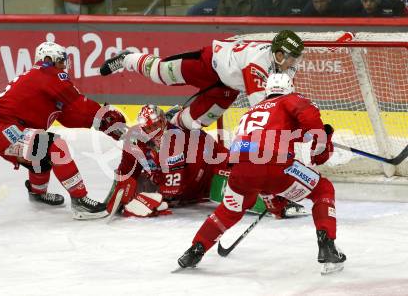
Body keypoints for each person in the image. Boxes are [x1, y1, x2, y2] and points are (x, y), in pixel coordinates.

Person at [177, 73, 347, 275]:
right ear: (289, 88)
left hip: (241, 170)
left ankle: (196, 249)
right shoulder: (290, 99)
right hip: (274, 165)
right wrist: (322, 138)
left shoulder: (251, 111)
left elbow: (292, 134)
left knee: (229, 210)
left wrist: (320, 135)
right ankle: (327, 246)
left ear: (267, 91)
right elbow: (308, 118)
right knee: (322, 189)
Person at [0, 41, 126, 220]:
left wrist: (100, 124)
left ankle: (37, 193)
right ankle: (80, 202)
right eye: (60, 61)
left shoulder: (40, 79)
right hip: (5, 130)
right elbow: (78, 104)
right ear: (48, 59)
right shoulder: (47, 73)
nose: (63, 66)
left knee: (40, 152)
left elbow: (69, 116)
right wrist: (103, 115)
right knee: (55, 146)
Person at [105, 104, 307, 218]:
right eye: (149, 128)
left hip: (208, 167)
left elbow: (175, 190)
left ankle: (280, 195)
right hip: (191, 185)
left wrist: (153, 197)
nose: (154, 132)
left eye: (158, 125)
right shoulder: (135, 140)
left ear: (165, 122)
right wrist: (122, 194)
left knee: (240, 171)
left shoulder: (178, 139)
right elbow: (125, 171)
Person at [99, 30, 304, 131]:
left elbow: (283, 98)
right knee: (160, 73)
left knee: (194, 122)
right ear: (276, 52)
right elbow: (262, 108)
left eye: (294, 57)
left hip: (227, 87)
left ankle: (171, 122)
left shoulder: (287, 64)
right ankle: (126, 59)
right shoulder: (257, 65)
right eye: (286, 56)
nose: (290, 62)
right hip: (207, 64)